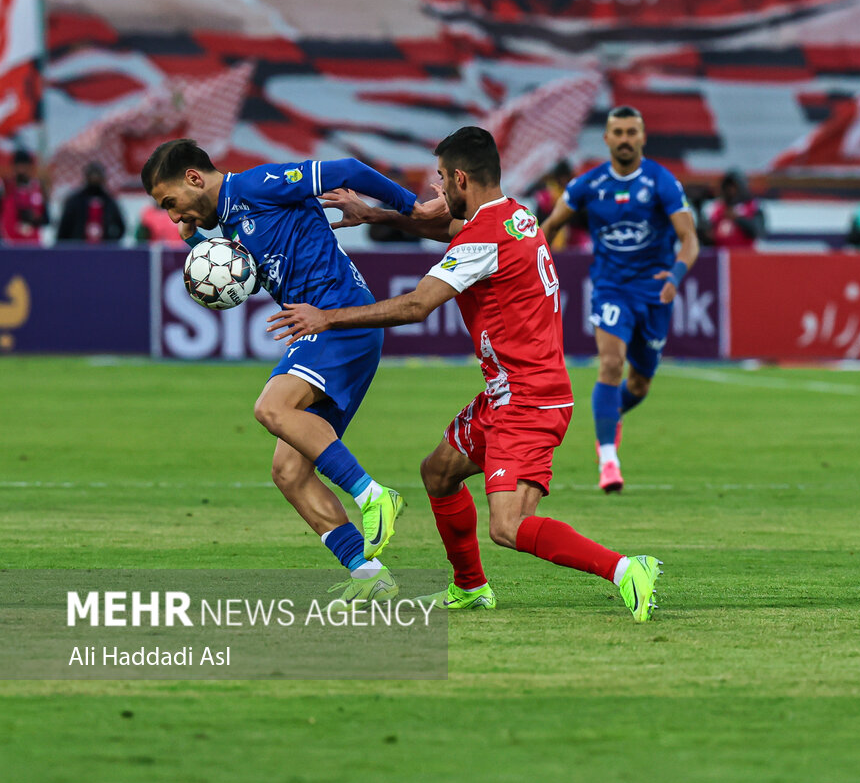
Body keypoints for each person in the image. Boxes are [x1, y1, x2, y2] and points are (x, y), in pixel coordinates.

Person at [267, 126, 663, 622]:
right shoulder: (514, 216)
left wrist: (327, 317)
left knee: (509, 526)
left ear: (459, 178)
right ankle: (471, 587)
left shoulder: (485, 236)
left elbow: (416, 305)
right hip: (507, 394)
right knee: (438, 473)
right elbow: (454, 232)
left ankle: (626, 568)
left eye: (440, 179)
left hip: (528, 400)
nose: (435, 190)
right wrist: (377, 215)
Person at [141, 138, 419, 605]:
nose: (171, 215)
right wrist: (192, 237)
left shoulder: (258, 184)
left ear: (193, 178)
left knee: (271, 406)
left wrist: (412, 209)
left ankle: (374, 496)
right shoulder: (230, 223)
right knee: (289, 471)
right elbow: (238, 267)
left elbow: (349, 167)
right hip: (325, 330)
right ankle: (369, 574)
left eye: (171, 203)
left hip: (340, 318)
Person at [539, 105, 700, 492]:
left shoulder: (661, 181)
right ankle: (608, 460)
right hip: (611, 288)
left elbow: (690, 239)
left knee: (640, 383)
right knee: (610, 364)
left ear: (642, 137)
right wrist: (527, 268)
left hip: (655, 291)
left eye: (632, 132)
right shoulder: (587, 185)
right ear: (607, 138)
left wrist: (676, 276)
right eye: (619, 132)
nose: (625, 138)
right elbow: (545, 230)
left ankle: (610, 416)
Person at [56, 162, 126, 244]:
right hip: (78, 249)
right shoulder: (74, 201)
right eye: (92, 176)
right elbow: (63, 229)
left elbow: (121, 228)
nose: (95, 178)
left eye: (97, 176)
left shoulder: (109, 201)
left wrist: (110, 241)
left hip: (103, 249)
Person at [534, 159, 590, 251]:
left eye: (566, 178)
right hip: (552, 243)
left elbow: (584, 221)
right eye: (561, 178)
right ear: (556, 178)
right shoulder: (546, 197)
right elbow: (540, 221)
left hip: (575, 243)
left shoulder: (576, 193)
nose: (564, 181)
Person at [1, 149, 49, 245]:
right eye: (18, 166)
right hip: (9, 242)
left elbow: (46, 218)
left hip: (33, 242)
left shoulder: (38, 188)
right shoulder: (7, 187)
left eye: (24, 166)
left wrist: (33, 219)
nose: (21, 169)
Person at [705, 170, 764, 249]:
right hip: (722, 257)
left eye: (734, 187)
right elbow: (708, 236)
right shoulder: (717, 208)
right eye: (728, 187)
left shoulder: (753, 206)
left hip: (746, 255)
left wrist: (737, 219)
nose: (730, 190)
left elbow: (758, 231)